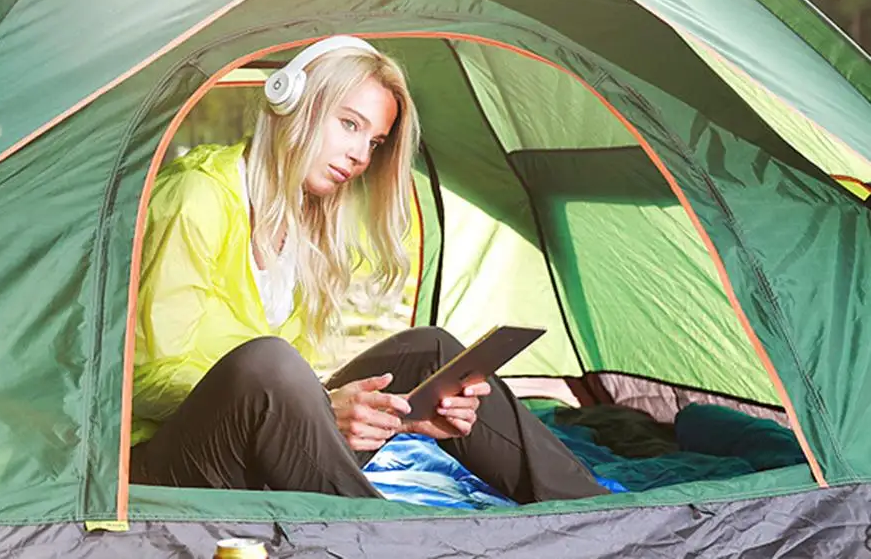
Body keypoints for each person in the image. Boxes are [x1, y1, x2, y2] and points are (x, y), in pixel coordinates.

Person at [130, 36, 606, 502]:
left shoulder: (302, 220)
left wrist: (399, 417)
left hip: (259, 446)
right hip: (172, 461)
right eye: (349, 124)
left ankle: (591, 512)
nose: (361, 156)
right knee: (270, 362)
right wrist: (313, 407)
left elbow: (287, 395)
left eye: (375, 141)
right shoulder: (196, 197)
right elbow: (143, 378)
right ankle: (382, 540)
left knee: (432, 352)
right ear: (293, 102)